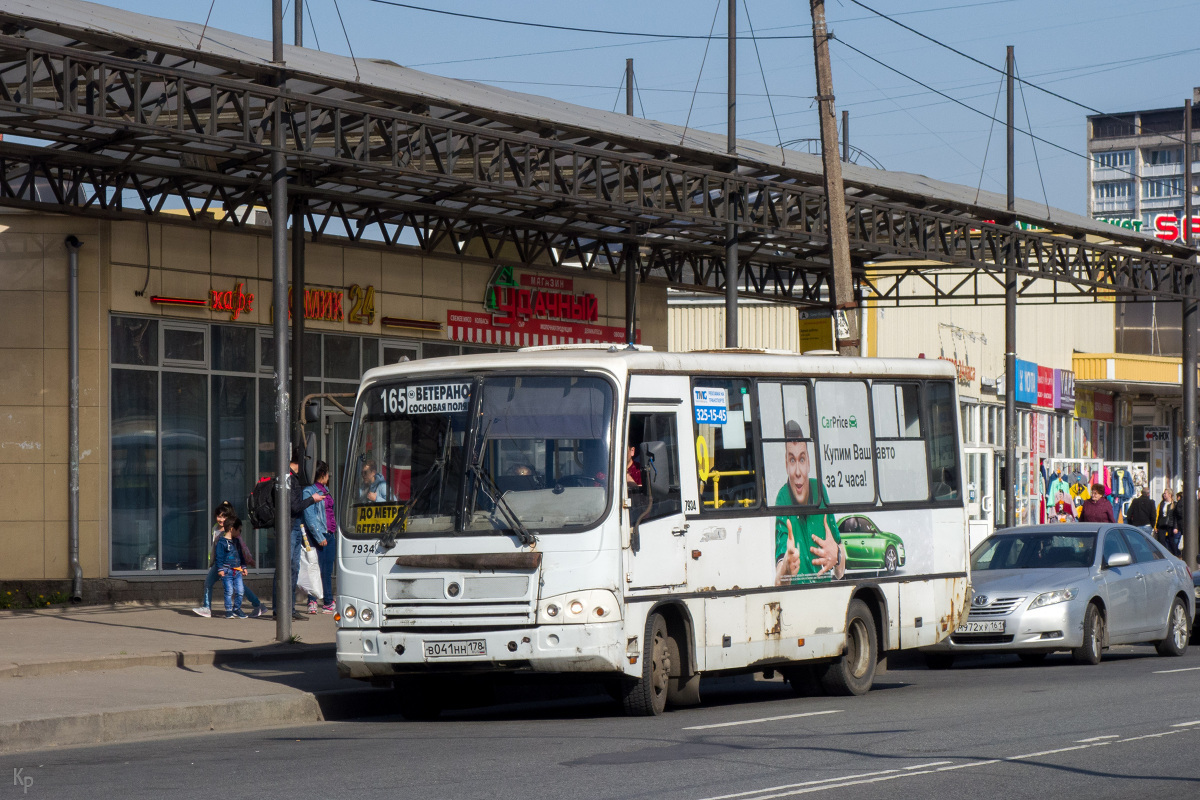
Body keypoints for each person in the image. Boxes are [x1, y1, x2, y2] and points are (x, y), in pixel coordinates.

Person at [773, 420, 845, 585]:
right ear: (786, 465)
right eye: (792, 460)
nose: (798, 472)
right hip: (797, 599)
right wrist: (786, 567)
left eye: (802, 459)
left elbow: (840, 571)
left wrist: (838, 555)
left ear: (809, 463)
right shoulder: (782, 498)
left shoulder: (820, 491)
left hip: (825, 596)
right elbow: (778, 581)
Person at [272, 447, 326, 618]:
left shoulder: (292, 477)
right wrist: (312, 499)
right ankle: (281, 609)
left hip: (293, 526)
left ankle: (289, 609)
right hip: (288, 527)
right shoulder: (288, 478)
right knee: (285, 568)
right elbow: (293, 506)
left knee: (292, 568)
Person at [193, 501, 263, 618]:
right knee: (232, 586)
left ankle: (208, 608)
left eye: (224, 516)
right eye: (219, 516)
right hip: (219, 563)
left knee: (214, 584)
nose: (220, 519)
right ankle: (257, 605)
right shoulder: (216, 528)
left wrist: (248, 560)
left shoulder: (230, 532)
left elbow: (242, 547)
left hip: (225, 565)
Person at [303, 460, 337, 614]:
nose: (329, 476)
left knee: (326, 570)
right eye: (327, 473)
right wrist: (318, 536)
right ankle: (319, 602)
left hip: (329, 534)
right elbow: (310, 517)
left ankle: (325, 601)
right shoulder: (310, 491)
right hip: (321, 535)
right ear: (322, 474)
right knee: (317, 570)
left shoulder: (325, 489)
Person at [213, 515, 253, 619]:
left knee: (240, 590)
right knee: (229, 591)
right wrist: (220, 569)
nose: (240, 532)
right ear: (232, 529)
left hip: (237, 571)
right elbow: (219, 557)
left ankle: (237, 609)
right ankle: (229, 610)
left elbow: (241, 556)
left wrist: (244, 567)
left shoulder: (237, 542)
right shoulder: (222, 542)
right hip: (226, 571)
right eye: (239, 530)